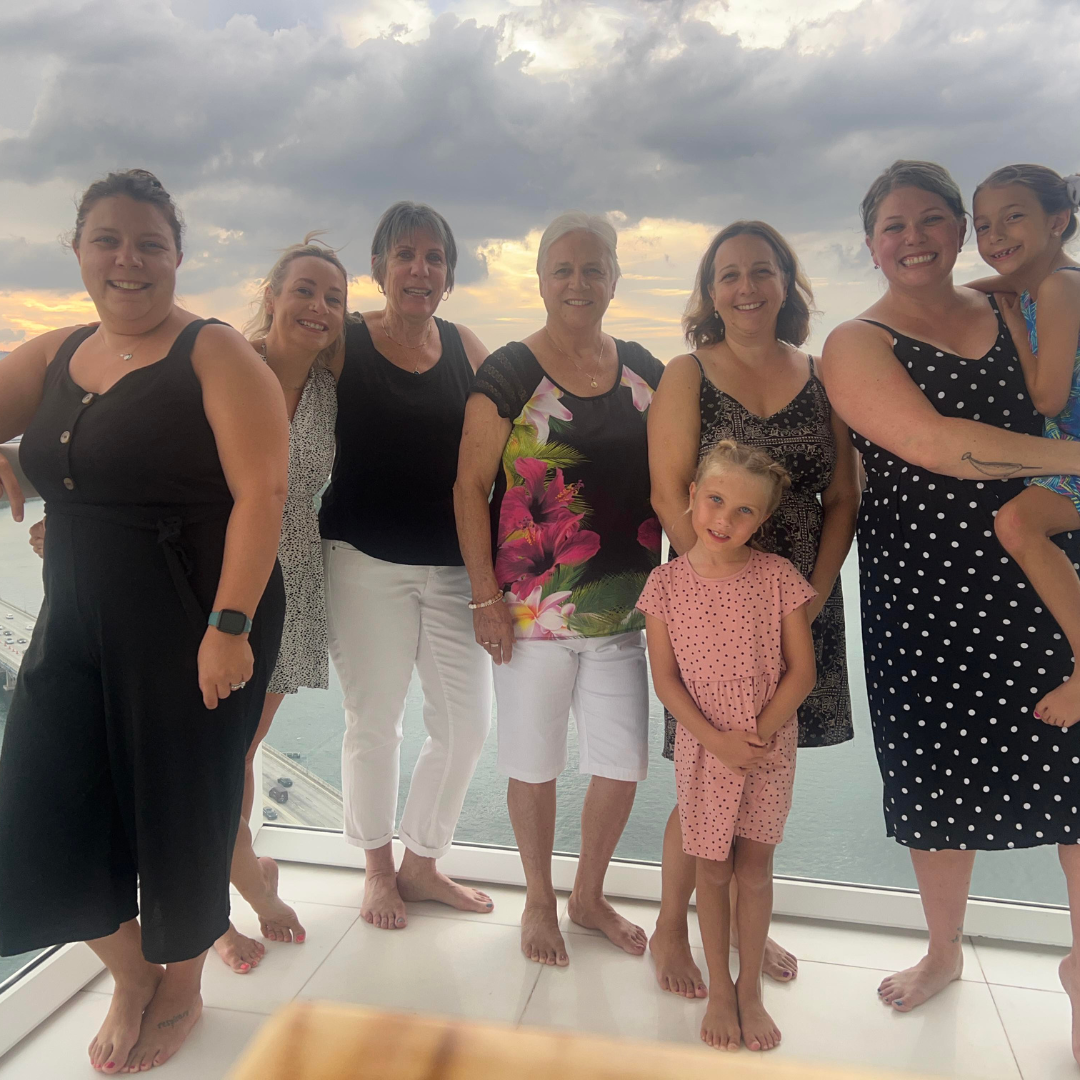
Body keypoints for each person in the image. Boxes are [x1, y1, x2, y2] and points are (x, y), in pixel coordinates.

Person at [0, 169, 288, 1073]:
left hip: (196, 618)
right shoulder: (54, 352)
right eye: (108, 241)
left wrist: (230, 624)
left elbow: (263, 493)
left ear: (176, 255)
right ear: (80, 252)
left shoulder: (214, 354)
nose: (129, 260)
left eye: (149, 244)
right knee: (40, 808)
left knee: (184, 806)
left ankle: (186, 984)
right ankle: (132, 972)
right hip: (76, 620)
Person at [819, 160, 1080, 1057]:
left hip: (1042, 566)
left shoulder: (1010, 305)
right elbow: (939, 446)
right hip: (925, 591)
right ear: (871, 243)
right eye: (894, 226)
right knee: (938, 781)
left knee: (1077, 776)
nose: (915, 238)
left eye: (934, 220)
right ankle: (942, 949)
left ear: (960, 232)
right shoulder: (855, 342)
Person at [647, 221, 859, 998]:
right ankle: (673, 931)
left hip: (799, 598)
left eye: (761, 271)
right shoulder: (687, 373)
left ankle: (742, 923)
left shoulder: (821, 373)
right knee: (702, 772)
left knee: (763, 769)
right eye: (728, 274)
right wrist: (715, 583)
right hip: (711, 608)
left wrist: (823, 584)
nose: (746, 287)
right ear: (710, 292)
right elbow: (669, 493)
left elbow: (841, 495)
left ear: (785, 284)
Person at [454, 211, 665, 967]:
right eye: (563, 269)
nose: (579, 282)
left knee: (622, 764)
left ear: (614, 277)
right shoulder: (509, 373)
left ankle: (589, 894)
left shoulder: (646, 369)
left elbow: (679, 478)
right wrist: (484, 598)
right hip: (529, 614)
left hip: (624, 612)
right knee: (533, 765)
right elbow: (470, 485)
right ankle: (540, 899)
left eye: (594, 267)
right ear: (541, 278)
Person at [319, 201, 494, 930]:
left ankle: (423, 861)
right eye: (406, 255)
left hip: (456, 568)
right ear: (379, 269)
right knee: (375, 722)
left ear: (449, 276)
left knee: (466, 724)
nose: (420, 269)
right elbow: (252, 372)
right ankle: (377, 870)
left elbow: (512, 449)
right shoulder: (342, 342)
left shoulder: (466, 347)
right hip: (363, 560)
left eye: (434, 258)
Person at [639, 441, 817, 1052]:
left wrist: (759, 735)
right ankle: (719, 985)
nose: (724, 520)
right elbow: (665, 679)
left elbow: (803, 672)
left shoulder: (777, 578)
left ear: (763, 521)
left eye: (745, 512)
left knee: (755, 866)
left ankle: (749, 991)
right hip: (703, 747)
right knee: (711, 869)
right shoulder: (663, 586)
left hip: (768, 744)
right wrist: (716, 740)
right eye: (715, 500)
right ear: (691, 497)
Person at [968, 165, 1080, 727]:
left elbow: (1050, 400)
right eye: (984, 227)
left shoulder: (1060, 287)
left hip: (1074, 450)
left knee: (1016, 524)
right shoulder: (1048, 282)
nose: (996, 238)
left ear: (1058, 220)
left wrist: (1014, 328)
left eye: (1013, 218)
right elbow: (982, 288)